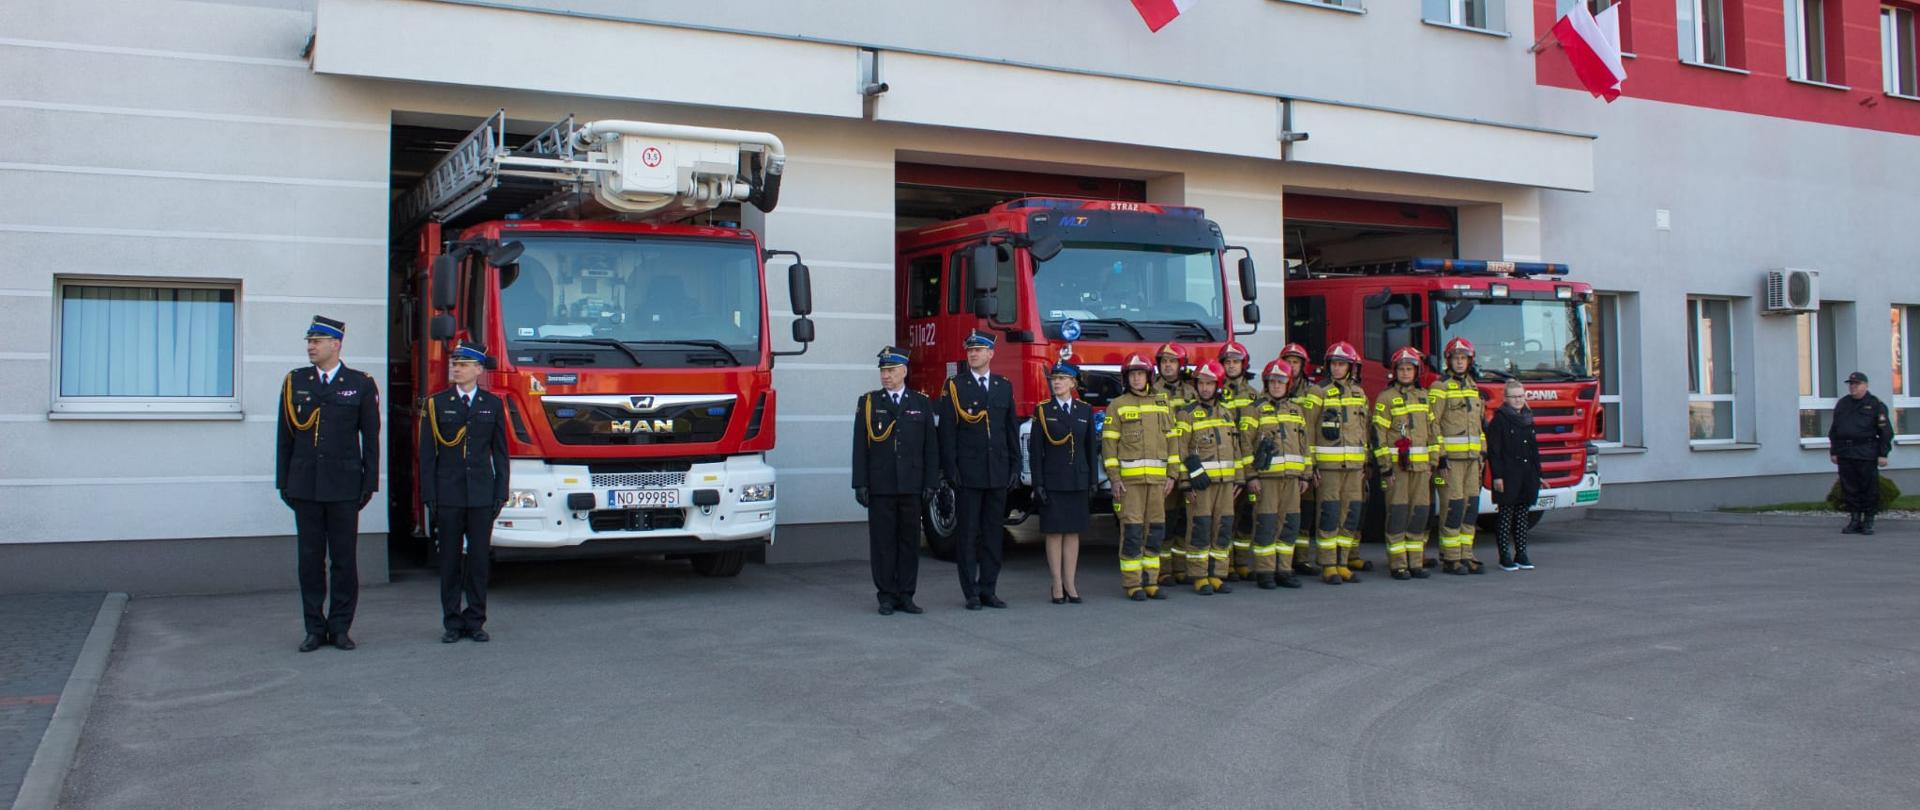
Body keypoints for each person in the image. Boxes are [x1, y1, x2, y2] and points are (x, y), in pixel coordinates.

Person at [276, 316, 380, 652]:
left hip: (345, 486)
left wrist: (369, 482)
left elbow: (371, 438)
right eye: (309, 341)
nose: (310, 347)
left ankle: (340, 627)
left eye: (317, 341)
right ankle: (313, 628)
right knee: (309, 560)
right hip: (305, 485)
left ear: (336, 345)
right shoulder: (296, 382)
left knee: (344, 560)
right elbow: (285, 437)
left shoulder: (360, 383)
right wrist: (284, 482)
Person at [419, 341, 510, 643]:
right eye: (454, 363)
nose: (456, 368)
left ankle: (476, 620)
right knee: (449, 560)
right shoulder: (437, 403)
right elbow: (427, 455)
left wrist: (501, 491)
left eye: (463, 364)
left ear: (478, 369)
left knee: (480, 560)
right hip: (449, 493)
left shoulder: (492, 404)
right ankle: (452, 622)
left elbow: (500, 453)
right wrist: (429, 495)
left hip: (482, 493)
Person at [936, 331, 1022, 610]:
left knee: (993, 533)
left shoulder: (1002, 386)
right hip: (969, 473)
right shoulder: (956, 386)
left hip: (996, 471)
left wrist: (1015, 465)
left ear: (990, 354)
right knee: (968, 533)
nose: (973, 354)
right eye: (970, 350)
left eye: (979, 350)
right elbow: (948, 432)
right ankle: (970, 592)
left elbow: (1010, 430)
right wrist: (951, 469)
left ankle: (989, 588)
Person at [852, 346, 940, 615]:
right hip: (881, 484)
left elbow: (930, 448)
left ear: (904, 371)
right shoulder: (868, 403)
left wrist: (930, 483)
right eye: (882, 371)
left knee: (909, 541)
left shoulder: (920, 403)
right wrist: (860, 483)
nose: (886, 376)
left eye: (891, 370)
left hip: (911, 484)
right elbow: (860, 447)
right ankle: (886, 595)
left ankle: (906, 594)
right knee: (883, 542)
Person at [1103, 353, 1178, 601]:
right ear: (1127, 378)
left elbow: (1173, 441)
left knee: (1155, 531)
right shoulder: (1118, 405)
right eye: (1133, 375)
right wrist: (1114, 478)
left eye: (1141, 374)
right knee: (1133, 532)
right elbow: (1109, 446)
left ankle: (1152, 581)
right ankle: (1133, 583)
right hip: (1130, 484)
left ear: (1148, 376)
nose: (1137, 378)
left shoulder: (1162, 403)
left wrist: (1173, 475)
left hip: (1158, 483)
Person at [1030, 361, 1098, 604]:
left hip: (1077, 479)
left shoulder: (1084, 410)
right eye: (1054, 378)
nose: (1056, 382)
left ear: (1073, 383)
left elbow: (1090, 449)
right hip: (1053, 480)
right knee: (1054, 532)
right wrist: (1037, 484)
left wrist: (1092, 481)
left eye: (1061, 378)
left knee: (1072, 532)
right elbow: (1036, 451)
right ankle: (1056, 583)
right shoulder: (1043, 410)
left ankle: (1070, 582)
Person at [1240, 358, 1309, 589]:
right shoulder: (1255, 409)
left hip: (1292, 480)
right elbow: (1245, 445)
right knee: (1266, 524)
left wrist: (1305, 475)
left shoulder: (1296, 410)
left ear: (1288, 384)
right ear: (1266, 384)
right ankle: (1265, 571)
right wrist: (1251, 476)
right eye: (1272, 381)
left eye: (1281, 381)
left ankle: (1284, 570)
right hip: (1266, 480)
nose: (1276, 385)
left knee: (1289, 524)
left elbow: (1304, 445)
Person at [1306, 342, 1370, 583]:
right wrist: (1311, 465)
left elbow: (1364, 429)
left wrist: (1366, 463)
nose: (1337, 368)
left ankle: (1342, 562)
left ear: (1351, 367)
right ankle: (1328, 564)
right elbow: (1308, 429)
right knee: (1330, 515)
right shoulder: (1317, 392)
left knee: (1349, 515)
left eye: (1342, 364)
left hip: (1354, 468)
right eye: (1334, 363)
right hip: (1328, 468)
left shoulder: (1359, 393)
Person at [1178, 360, 1242, 594]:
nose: (1205, 388)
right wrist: (1186, 483)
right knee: (1200, 528)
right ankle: (1199, 575)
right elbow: (1180, 449)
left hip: (1226, 484)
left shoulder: (1227, 413)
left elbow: (1236, 449)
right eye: (1201, 383)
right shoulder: (1186, 414)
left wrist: (1239, 479)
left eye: (1209, 383)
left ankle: (1217, 574)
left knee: (1222, 528)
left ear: (1219, 385)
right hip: (1200, 485)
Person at [1374, 347, 1437, 580]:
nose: (1405, 373)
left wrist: (1432, 462)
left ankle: (1416, 561)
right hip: (1397, 470)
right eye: (1401, 369)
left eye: (1409, 369)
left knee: (1419, 514)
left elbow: (1433, 433)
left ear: (1416, 371)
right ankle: (1398, 564)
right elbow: (1378, 435)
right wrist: (1385, 467)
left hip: (1422, 470)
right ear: (1395, 372)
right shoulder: (1385, 398)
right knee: (1398, 514)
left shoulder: (1424, 397)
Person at [1429, 338, 1488, 575]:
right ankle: (1450, 558)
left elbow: (1479, 425)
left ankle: (1467, 554)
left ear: (1470, 361)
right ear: (1449, 361)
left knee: (1470, 507)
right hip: (1450, 463)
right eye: (1456, 358)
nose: (1460, 362)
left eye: (1464, 358)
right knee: (1452, 507)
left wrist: (1482, 452)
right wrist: (1440, 457)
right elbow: (1432, 423)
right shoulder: (1440, 387)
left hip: (1473, 460)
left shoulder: (1473, 388)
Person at [1486, 380, 1543, 571]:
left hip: (1527, 474)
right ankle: (1505, 557)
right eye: (1514, 397)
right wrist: (1497, 477)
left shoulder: (1528, 418)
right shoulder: (1499, 420)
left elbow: (1534, 449)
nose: (1518, 400)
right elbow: (1495, 451)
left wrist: (1539, 474)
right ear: (1506, 398)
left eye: (1521, 396)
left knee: (1522, 515)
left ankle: (1522, 554)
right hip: (1508, 475)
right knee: (1505, 515)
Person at [1152, 342, 1196, 585]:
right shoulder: (1151, 393)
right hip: (1165, 465)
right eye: (1164, 361)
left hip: (1188, 464)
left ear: (1181, 365)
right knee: (1165, 520)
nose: (1167, 365)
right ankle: (1163, 570)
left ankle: (1181, 567)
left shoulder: (1192, 392)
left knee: (1184, 518)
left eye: (1172, 361)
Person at [1829, 371, 1894, 535]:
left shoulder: (1875, 404)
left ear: (1866, 385)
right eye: (1851, 384)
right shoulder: (1843, 404)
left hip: (1866, 452)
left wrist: (1883, 453)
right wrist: (1834, 451)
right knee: (1849, 488)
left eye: (1856, 384)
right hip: (1845, 452)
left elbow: (1885, 432)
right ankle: (1855, 519)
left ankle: (1868, 520)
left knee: (1868, 487)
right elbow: (1835, 429)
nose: (1853, 387)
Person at [1215, 342, 1259, 580]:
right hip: (1224, 463)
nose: (1231, 366)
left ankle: (1242, 562)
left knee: (1246, 516)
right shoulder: (1215, 391)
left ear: (1244, 364)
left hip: (1248, 462)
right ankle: (1227, 563)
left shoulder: (1253, 395)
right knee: (1225, 517)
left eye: (1235, 362)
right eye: (1227, 362)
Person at [1278, 342, 1320, 576]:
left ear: (1303, 365)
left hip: (1306, 460)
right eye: (1288, 362)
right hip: (1283, 463)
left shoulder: (1313, 393)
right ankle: (1283, 558)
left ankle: (1301, 558)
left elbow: (1313, 429)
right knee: (1282, 513)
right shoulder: (1274, 389)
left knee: (1305, 510)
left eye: (1295, 362)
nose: (1291, 367)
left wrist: (1311, 464)